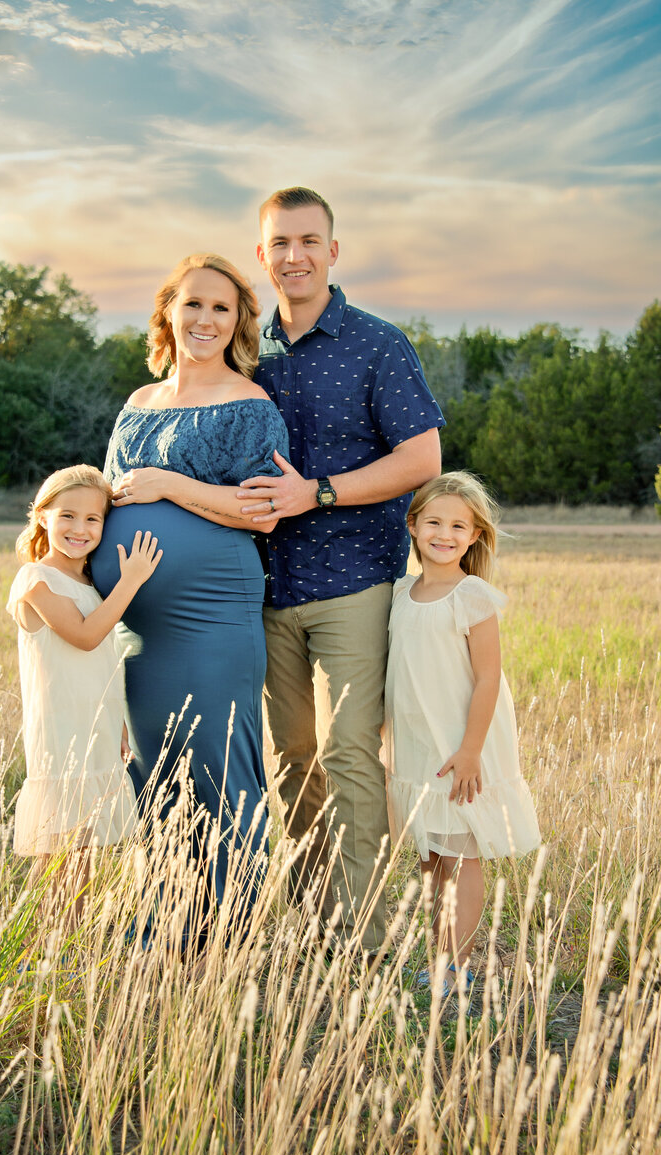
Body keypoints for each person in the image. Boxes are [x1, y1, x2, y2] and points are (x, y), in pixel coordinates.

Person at [237, 186, 444, 954]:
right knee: (290, 755)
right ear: (262, 256)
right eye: (279, 244)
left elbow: (422, 458)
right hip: (262, 586)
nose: (293, 256)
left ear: (332, 250)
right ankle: (313, 920)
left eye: (308, 241)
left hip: (354, 579)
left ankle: (361, 936)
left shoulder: (378, 343)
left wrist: (315, 493)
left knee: (348, 751)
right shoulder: (242, 350)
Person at [89, 253, 290, 949]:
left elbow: (263, 512)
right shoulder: (137, 404)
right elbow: (112, 495)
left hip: (211, 615)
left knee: (215, 766)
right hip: (135, 626)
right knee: (153, 769)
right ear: (169, 311)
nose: (206, 319)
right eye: (194, 304)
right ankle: (171, 915)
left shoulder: (249, 405)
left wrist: (167, 485)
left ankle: (233, 928)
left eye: (222, 308)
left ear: (238, 324)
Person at [383, 471, 541, 995]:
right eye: (434, 522)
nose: (444, 534)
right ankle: (439, 954)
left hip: (459, 745)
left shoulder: (471, 595)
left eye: (458, 526)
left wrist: (471, 750)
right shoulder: (401, 592)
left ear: (474, 537)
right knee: (430, 857)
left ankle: (457, 965)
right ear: (412, 525)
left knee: (460, 856)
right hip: (416, 745)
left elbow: (489, 676)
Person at [8, 464, 162, 927]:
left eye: (92, 519)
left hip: (94, 726)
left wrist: (116, 723)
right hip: (61, 731)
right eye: (67, 516)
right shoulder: (35, 578)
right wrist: (133, 579)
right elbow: (85, 637)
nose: (79, 528)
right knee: (61, 853)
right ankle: (46, 951)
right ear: (42, 517)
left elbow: (102, 664)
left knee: (86, 853)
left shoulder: (88, 585)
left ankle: (70, 949)